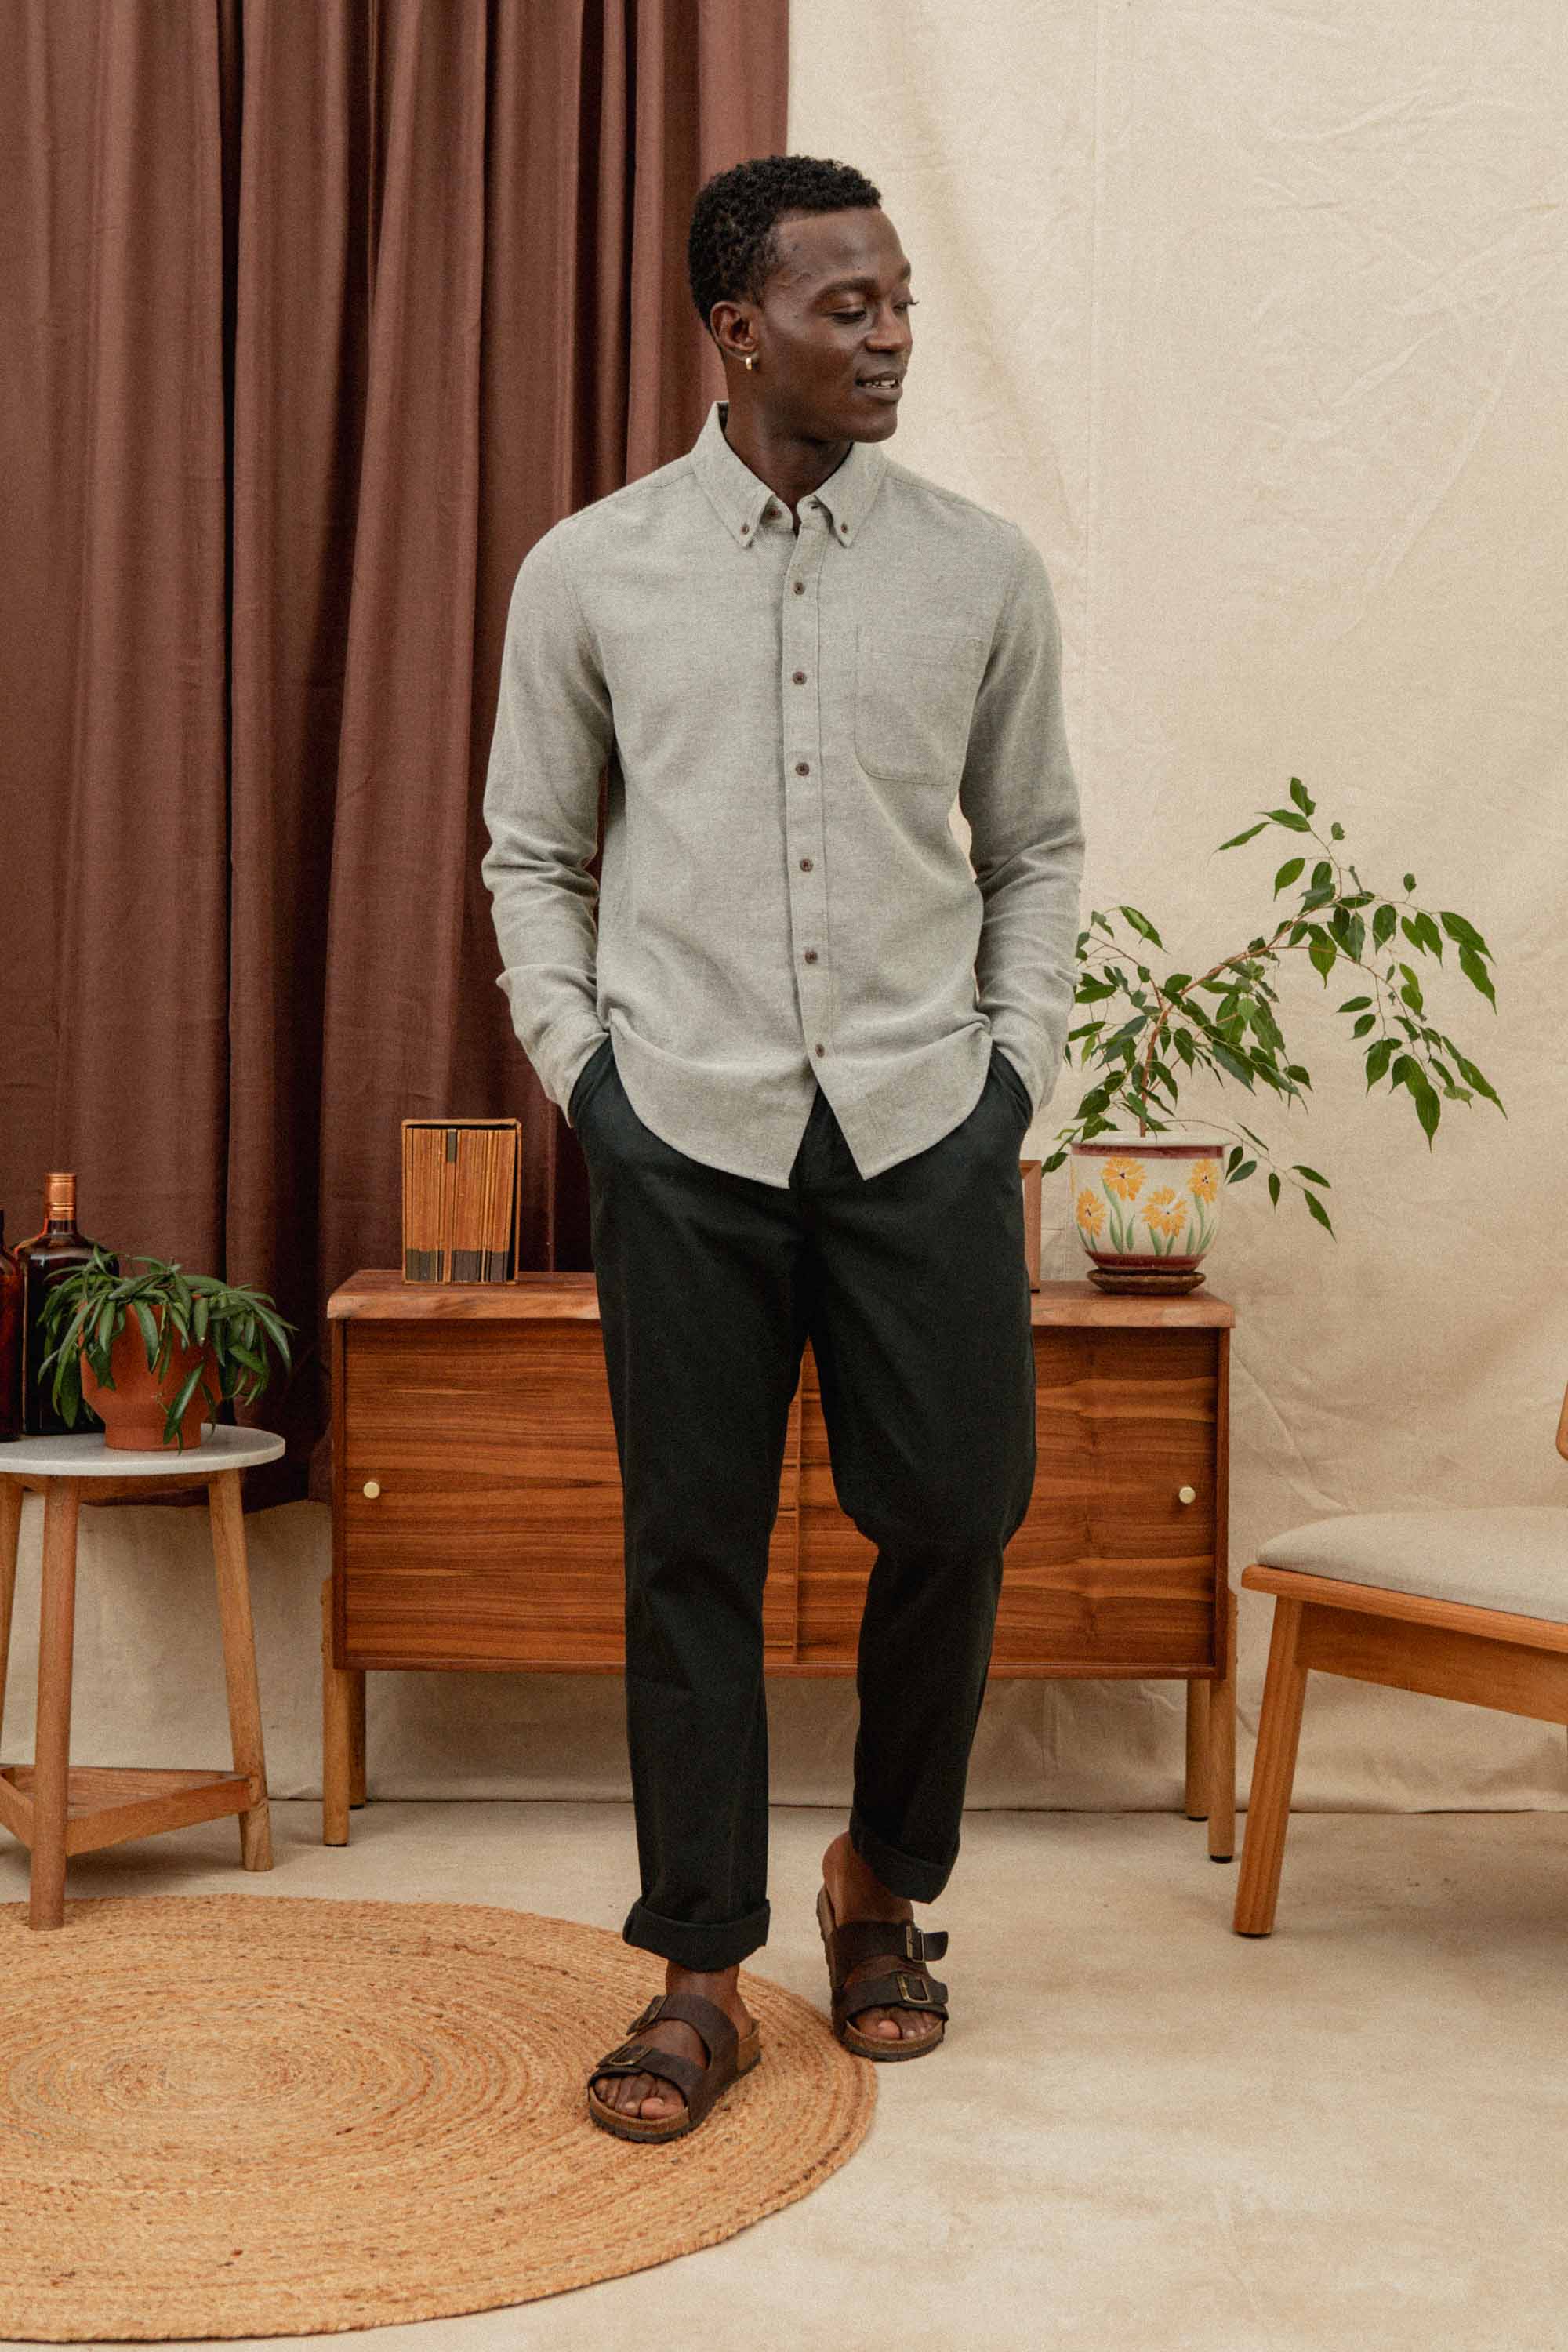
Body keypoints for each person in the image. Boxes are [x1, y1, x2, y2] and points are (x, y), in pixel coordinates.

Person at [481, 151, 1084, 2142]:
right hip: (685, 1130)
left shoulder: (982, 571)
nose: (893, 335)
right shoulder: (589, 572)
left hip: (922, 1124)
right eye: (850, 307)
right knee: (691, 1546)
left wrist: (1008, 1075)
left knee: (958, 1510)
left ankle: (878, 1883)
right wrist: (594, 1082)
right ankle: (697, 1975)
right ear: (739, 332)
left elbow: (1036, 848)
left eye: (899, 300)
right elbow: (533, 854)